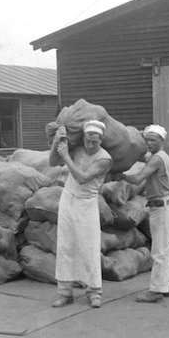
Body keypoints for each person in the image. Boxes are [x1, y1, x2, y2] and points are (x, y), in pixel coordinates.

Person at [50, 120, 113, 308]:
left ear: (101, 139)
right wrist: (56, 142)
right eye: (88, 140)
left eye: (95, 141)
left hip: (87, 202)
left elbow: (82, 177)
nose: (91, 145)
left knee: (89, 247)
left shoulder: (105, 158)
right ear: (83, 137)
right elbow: (53, 161)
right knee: (65, 245)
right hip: (68, 198)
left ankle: (94, 291)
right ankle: (65, 292)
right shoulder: (77, 149)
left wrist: (65, 156)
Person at [117, 124, 169, 303]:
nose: (149, 143)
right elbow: (144, 158)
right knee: (166, 249)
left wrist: (119, 174)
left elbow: (137, 179)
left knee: (159, 251)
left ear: (162, 140)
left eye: (153, 140)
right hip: (163, 206)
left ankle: (156, 291)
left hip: (162, 208)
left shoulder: (157, 159)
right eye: (147, 140)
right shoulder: (159, 156)